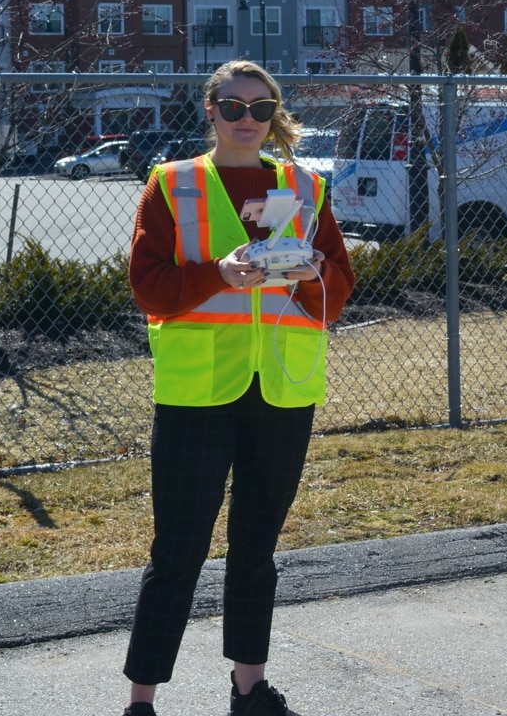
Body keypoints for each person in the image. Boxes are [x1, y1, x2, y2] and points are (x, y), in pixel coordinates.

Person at [121, 60, 355, 716]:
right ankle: (142, 700)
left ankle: (249, 689)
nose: (246, 120)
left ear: (274, 113)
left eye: (260, 108)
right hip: (198, 393)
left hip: (282, 390)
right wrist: (218, 275)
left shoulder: (306, 187)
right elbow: (149, 285)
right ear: (210, 111)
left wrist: (309, 273)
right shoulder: (173, 185)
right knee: (178, 551)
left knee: (257, 549)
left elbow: (335, 293)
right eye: (233, 107)